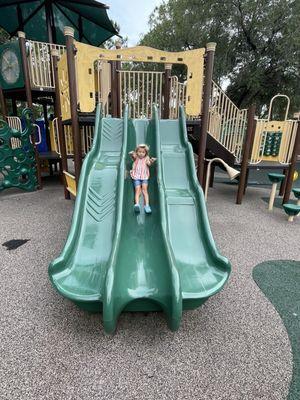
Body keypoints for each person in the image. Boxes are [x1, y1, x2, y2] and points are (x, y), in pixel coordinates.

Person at [129, 144, 156, 214]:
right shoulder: (136, 157)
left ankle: (147, 205)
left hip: (144, 177)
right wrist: (132, 154)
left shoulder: (146, 158)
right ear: (137, 152)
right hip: (136, 177)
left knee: (144, 190)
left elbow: (149, 164)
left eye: (143, 152)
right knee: (137, 190)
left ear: (145, 153)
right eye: (139, 152)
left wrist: (152, 161)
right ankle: (137, 204)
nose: (141, 153)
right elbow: (133, 156)